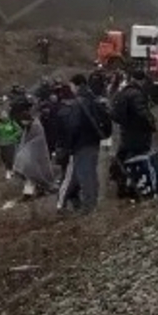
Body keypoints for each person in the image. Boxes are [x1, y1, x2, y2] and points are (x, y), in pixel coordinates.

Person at [56, 73, 110, 214]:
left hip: (81, 143)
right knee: (89, 173)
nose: (71, 89)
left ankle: (88, 206)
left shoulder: (78, 103)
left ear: (77, 85)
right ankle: (91, 202)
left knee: (85, 175)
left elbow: (73, 126)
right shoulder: (94, 99)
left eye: (72, 85)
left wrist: (68, 146)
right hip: (94, 142)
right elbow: (106, 118)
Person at [111, 68, 156, 160]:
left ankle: (117, 171)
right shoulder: (136, 94)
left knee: (124, 156)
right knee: (139, 158)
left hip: (126, 131)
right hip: (138, 134)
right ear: (142, 80)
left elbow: (114, 112)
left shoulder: (124, 91)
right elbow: (142, 113)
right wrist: (152, 124)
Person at [0, 109, 22, 178]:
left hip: (11, 143)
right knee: (5, 158)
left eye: (5, 117)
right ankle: (8, 171)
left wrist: (13, 136)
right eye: (2, 117)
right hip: (2, 144)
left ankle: (16, 169)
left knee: (13, 157)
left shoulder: (12, 123)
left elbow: (19, 130)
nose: (4, 119)